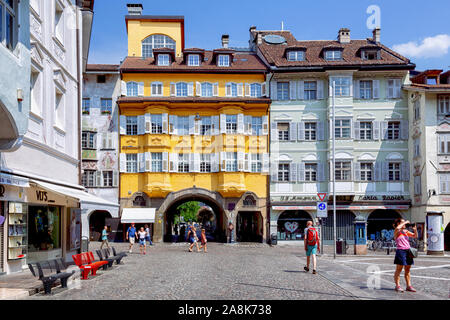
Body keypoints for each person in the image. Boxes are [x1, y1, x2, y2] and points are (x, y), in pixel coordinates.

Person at [393, 218, 417, 292]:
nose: (405, 224)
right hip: (401, 251)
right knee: (399, 269)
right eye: (402, 222)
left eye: (405, 223)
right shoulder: (397, 231)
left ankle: (408, 286)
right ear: (398, 223)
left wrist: (415, 229)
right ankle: (397, 286)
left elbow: (414, 236)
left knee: (407, 269)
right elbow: (397, 228)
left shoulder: (405, 231)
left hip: (408, 251)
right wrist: (405, 222)